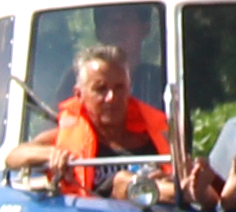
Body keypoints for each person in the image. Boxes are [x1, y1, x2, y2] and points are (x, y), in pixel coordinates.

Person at [33, 42, 179, 202]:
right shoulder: (67, 137)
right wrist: (53, 154)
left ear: (129, 89)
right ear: (79, 94)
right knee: (122, 181)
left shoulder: (156, 136)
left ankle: (170, 191)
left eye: (119, 88)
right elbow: (17, 155)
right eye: (101, 89)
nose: (111, 98)